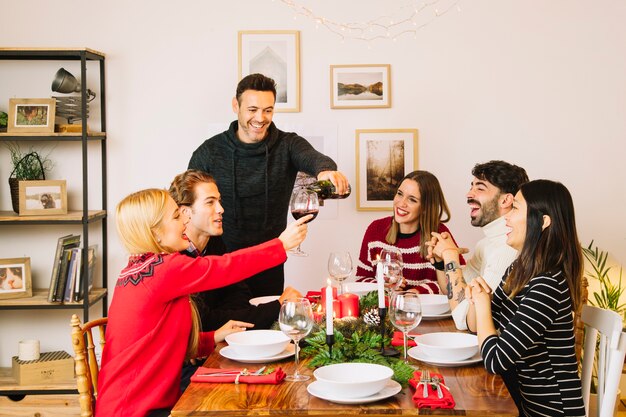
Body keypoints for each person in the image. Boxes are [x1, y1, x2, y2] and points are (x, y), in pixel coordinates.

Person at [96, 188, 311, 417]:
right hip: (135, 410)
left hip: (128, 404)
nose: (185, 220)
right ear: (155, 233)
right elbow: (226, 267)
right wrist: (280, 245)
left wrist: (211, 338)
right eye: (177, 217)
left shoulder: (137, 270)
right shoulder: (163, 269)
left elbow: (157, 343)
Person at [188, 73, 349, 297]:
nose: (260, 118)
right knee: (221, 329)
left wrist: (325, 170)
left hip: (269, 264)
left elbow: (311, 157)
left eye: (268, 110)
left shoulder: (287, 144)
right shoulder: (209, 151)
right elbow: (185, 203)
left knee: (267, 328)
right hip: (220, 265)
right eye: (252, 109)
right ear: (236, 106)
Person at [465, 179, 585, 417]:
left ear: (543, 222)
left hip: (549, 411)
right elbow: (476, 327)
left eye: (516, 208)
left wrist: (481, 303)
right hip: (521, 401)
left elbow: (495, 360)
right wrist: (477, 298)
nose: (506, 216)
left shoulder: (548, 284)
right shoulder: (519, 269)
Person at [169, 169, 302, 330]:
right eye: (210, 202)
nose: (221, 209)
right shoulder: (173, 258)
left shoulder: (214, 241)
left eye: (219, 200)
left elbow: (238, 292)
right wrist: (278, 306)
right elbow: (203, 322)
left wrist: (223, 315)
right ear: (185, 212)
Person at [427, 160, 528, 330]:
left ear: (506, 200)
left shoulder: (507, 248)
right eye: (471, 186)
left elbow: (465, 321)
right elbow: (452, 291)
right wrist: (441, 260)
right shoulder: (486, 243)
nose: (469, 194)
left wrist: (451, 256)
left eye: (480, 188)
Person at [355, 170, 463, 294]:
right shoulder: (375, 229)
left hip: (426, 312)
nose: (401, 203)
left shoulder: (439, 234)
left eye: (412, 200)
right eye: (400, 194)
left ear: (425, 208)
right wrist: (382, 285)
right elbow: (360, 280)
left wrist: (418, 292)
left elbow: (459, 284)